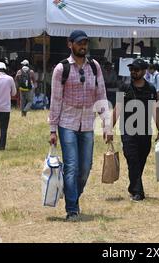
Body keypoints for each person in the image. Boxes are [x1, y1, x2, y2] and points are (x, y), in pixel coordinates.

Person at [49, 30, 112, 221]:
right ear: (70, 44)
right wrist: (52, 129)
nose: (83, 46)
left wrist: (107, 125)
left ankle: (73, 195)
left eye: (85, 43)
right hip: (67, 122)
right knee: (72, 166)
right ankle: (72, 209)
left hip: (87, 124)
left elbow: (101, 95)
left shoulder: (94, 67)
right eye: (79, 43)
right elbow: (55, 99)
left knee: (85, 167)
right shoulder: (61, 69)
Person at [112, 59, 159, 202]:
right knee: (132, 159)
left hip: (146, 131)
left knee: (141, 160)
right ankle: (138, 192)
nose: (133, 71)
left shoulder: (151, 89)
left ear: (144, 71)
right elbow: (118, 108)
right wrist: (109, 128)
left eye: (136, 69)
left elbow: (155, 109)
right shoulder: (124, 87)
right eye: (131, 69)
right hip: (128, 131)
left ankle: (133, 186)